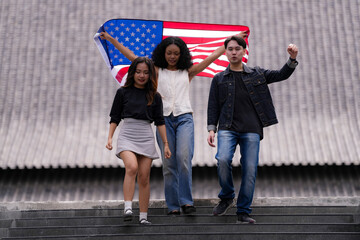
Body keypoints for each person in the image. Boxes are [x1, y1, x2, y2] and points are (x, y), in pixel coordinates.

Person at [100, 31, 246, 215]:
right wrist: (112, 39)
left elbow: (211, 57)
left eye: (176, 53)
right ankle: (173, 205)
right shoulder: (155, 70)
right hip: (163, 120)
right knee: (169, 164)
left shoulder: (188, 71)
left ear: (181, 54)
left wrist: (230, 41)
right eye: (169, 53)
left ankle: (186, 202)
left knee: (183, 158)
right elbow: (132, 56)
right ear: (163, 53)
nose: (172, 57)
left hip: (184, 117)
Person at [207, 36, 298, 223]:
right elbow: (213, 106)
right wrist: (211, 129)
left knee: (249, 169)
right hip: (227, 127)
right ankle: (226, 197)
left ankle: (243, 211)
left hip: (251, 129)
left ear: (244, 51)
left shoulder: (257, 73)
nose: (233, 52)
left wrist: (292, 59)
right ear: (226, 52)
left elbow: (281, 74)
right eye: (230, 49)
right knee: (222, 159)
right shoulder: (219, 79)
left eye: (237, 49)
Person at [106, 57, 171, 225]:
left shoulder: (155, 96)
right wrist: (110, 137)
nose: (141, 75)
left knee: (144, 177)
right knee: (132, 167)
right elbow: (115, 117)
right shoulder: (122, 92)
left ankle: (143, 217)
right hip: (127, 133)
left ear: (150, 75)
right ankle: (128, 207)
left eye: (146, 72)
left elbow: (160, 122)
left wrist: (165, 144)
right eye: (138, 72)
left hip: (145, 135)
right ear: (132, 73)